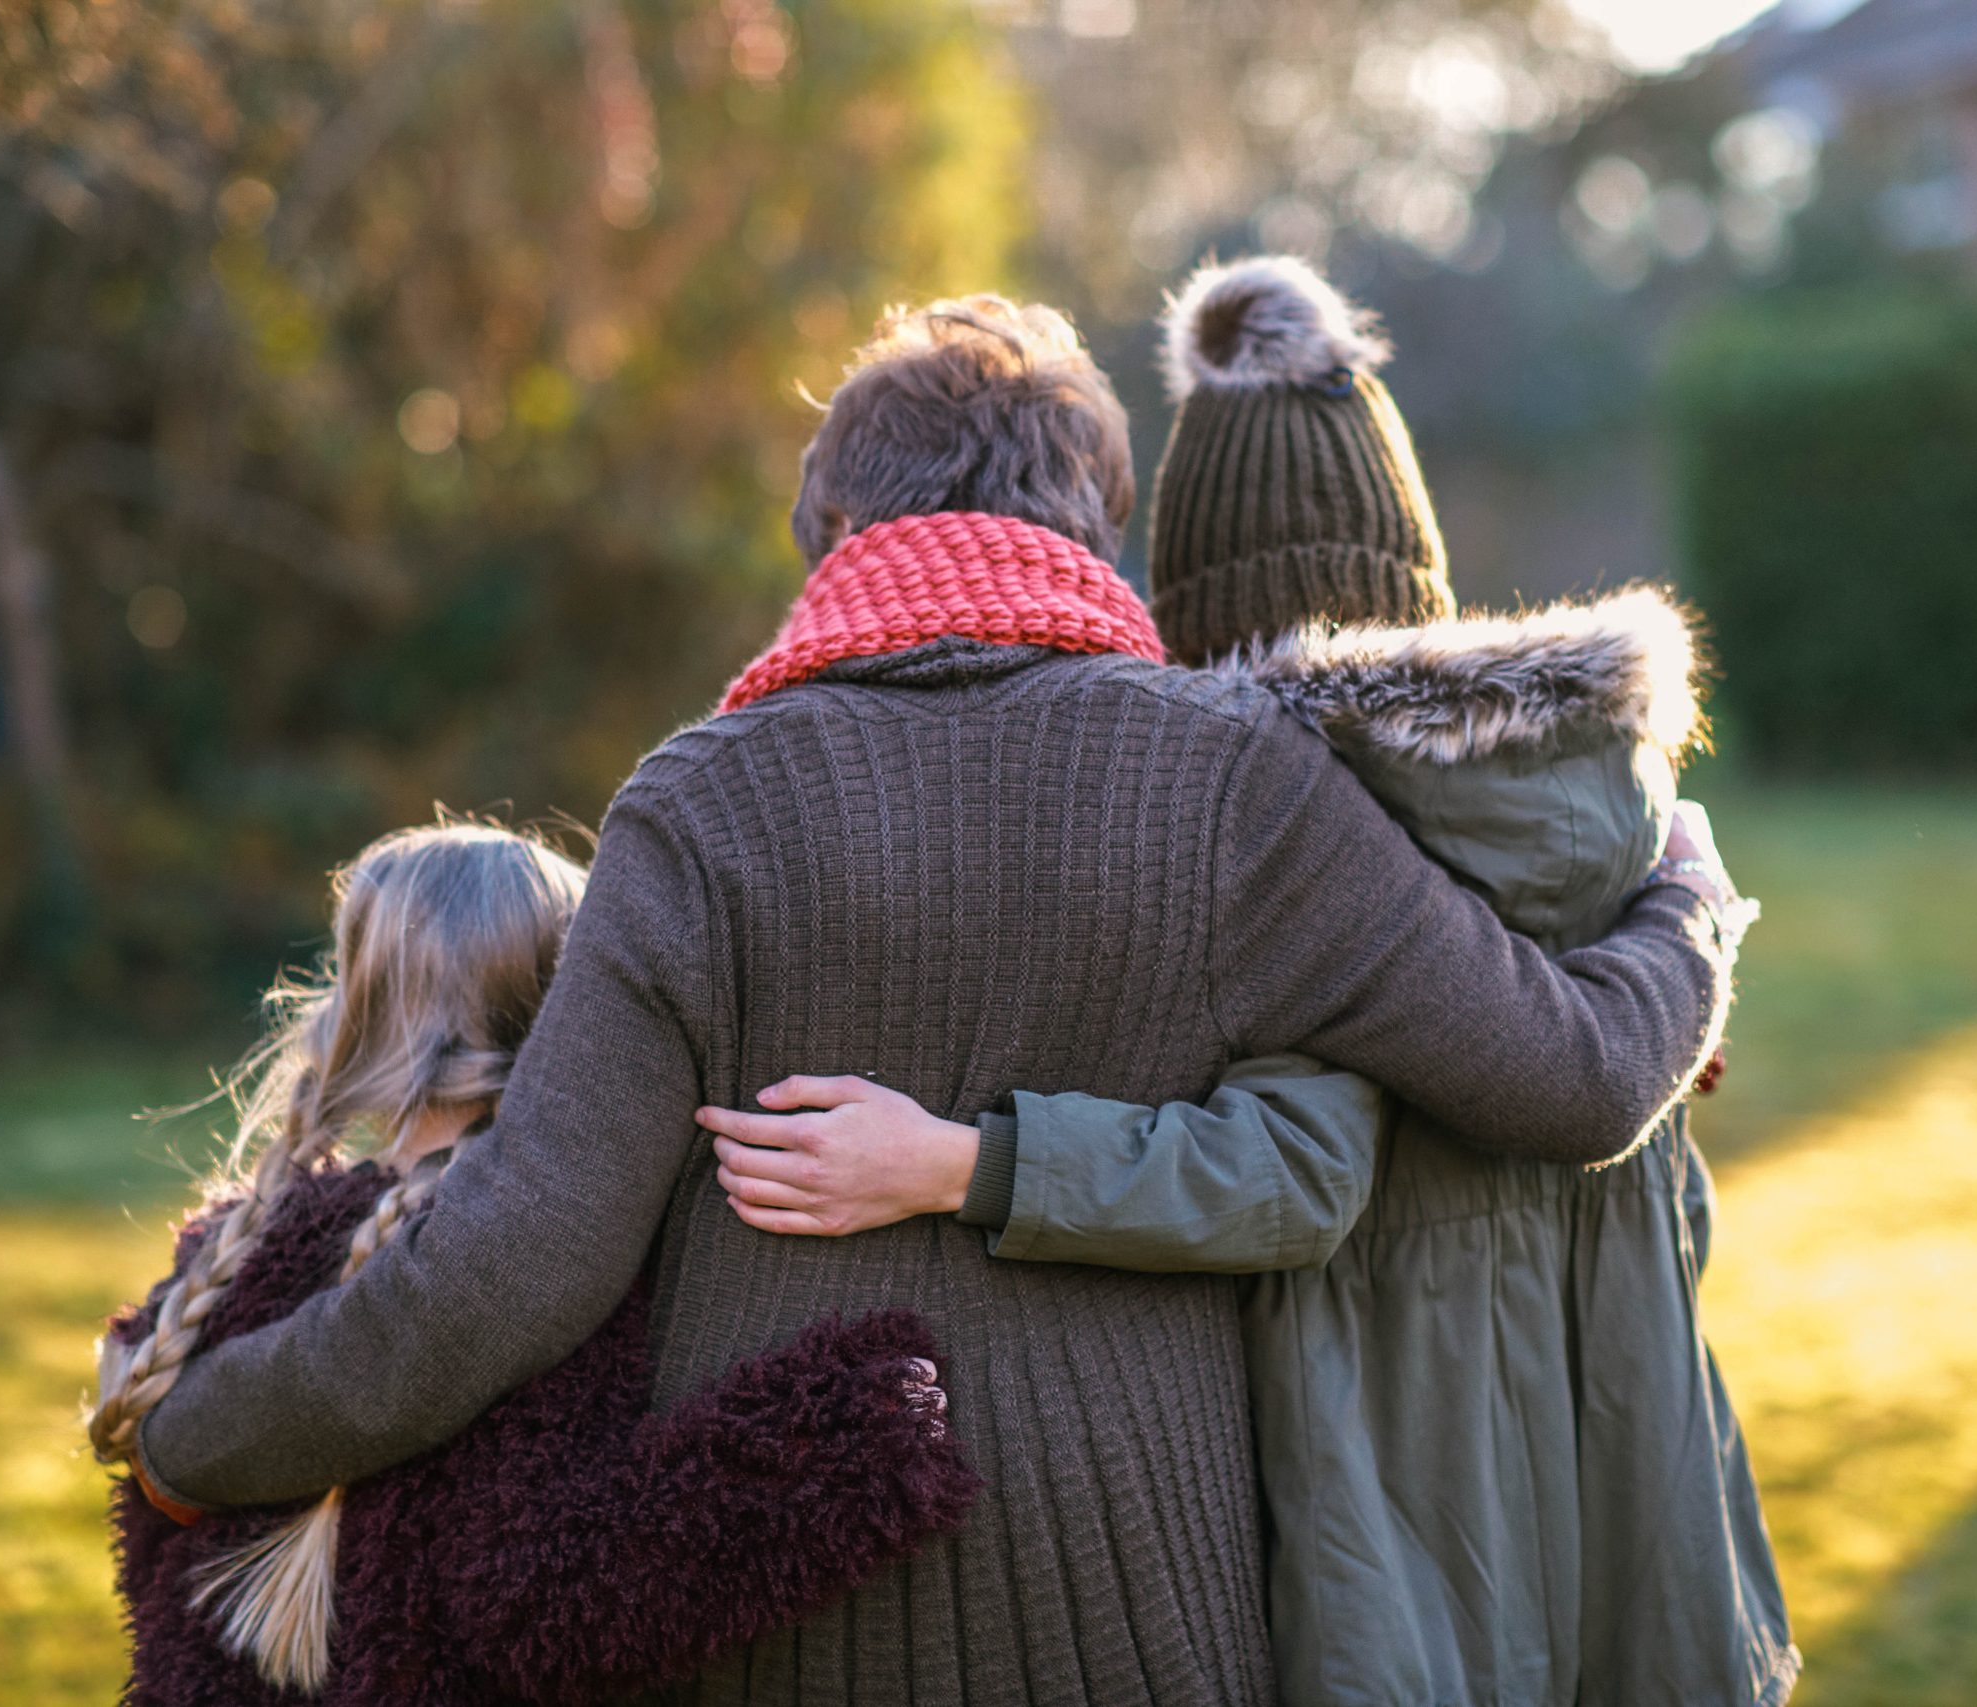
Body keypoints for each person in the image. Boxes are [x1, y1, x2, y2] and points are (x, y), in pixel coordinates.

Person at [124, 293, 1742, 1706]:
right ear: (1097, 531)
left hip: (761, 1604)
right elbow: (1581, 1078)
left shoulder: (700, 804)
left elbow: (521, 1253)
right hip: (1143, 1608)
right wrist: (1688, 906)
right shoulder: (1229, 782)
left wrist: (210, 1436)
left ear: (830, 533)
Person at [699, 258, 1796, 1707]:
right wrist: (1693, 926)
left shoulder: (1278, 816)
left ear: (1198, 609)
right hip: (1639, 1495)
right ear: (1418, 564)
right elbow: (1662, 1168)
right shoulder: (1611, 815)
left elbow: (1295, 1166)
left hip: (1398, 1521)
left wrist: (963, 1160)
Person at [93, 823, 977, 1705]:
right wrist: (838, 1439)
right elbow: (541, 1601)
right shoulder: (537, 1257)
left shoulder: (229, 1255)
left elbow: (152, 1563)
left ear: (350, 1013)